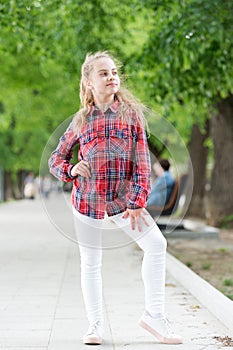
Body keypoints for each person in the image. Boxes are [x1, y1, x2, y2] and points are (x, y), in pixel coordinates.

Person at [48, 51, 182, 346]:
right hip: (87, 200)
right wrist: (71, 169)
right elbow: (56, 159)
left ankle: (155, 316)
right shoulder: (81, 120)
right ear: (89, 83)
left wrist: (137, 199)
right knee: (91, 262)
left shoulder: (130, 114)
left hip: (124, 202)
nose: (111, 77)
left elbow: (142, 162)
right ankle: (95, 325)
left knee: (156, 245)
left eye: (113, 72)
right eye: (103, 73)